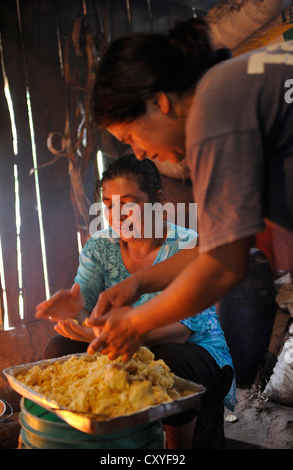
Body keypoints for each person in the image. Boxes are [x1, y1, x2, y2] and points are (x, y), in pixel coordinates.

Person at [84, 17, 293, 364]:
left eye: (131, 136)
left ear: (158, 101)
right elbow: (211, 248)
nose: (137, 152)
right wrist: (137, 284)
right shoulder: (226, 87)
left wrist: (139, 320)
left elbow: (224, 265)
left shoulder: (212, 112)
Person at [36, 155, 235, 448]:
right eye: (108, 206)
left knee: (169, 362)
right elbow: (87, 312)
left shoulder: (187, 244)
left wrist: (108, 334)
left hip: (194, 351)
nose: (118, 215)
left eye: (129, 204)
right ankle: (78, 441)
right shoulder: (101, 246)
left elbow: (181, 329)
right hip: (128, 345)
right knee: (59, 349)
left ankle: (174, 451)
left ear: (157, 199)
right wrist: (75, 313)